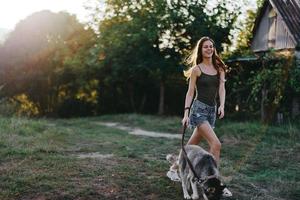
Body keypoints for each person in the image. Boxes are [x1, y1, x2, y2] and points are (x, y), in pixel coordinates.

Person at [166, 36, 232, 197]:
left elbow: (222, 88)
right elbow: (190, 93)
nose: (209, 49)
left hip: (211, 111)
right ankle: (215, 183)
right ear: (201, 50)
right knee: (216, 144)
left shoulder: (219, 68)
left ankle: (174, 168)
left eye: (211, 46)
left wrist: (222, 105)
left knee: (191, 144)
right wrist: (186, 113)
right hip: (198, 110)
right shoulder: (197, 69)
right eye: (205, 47)